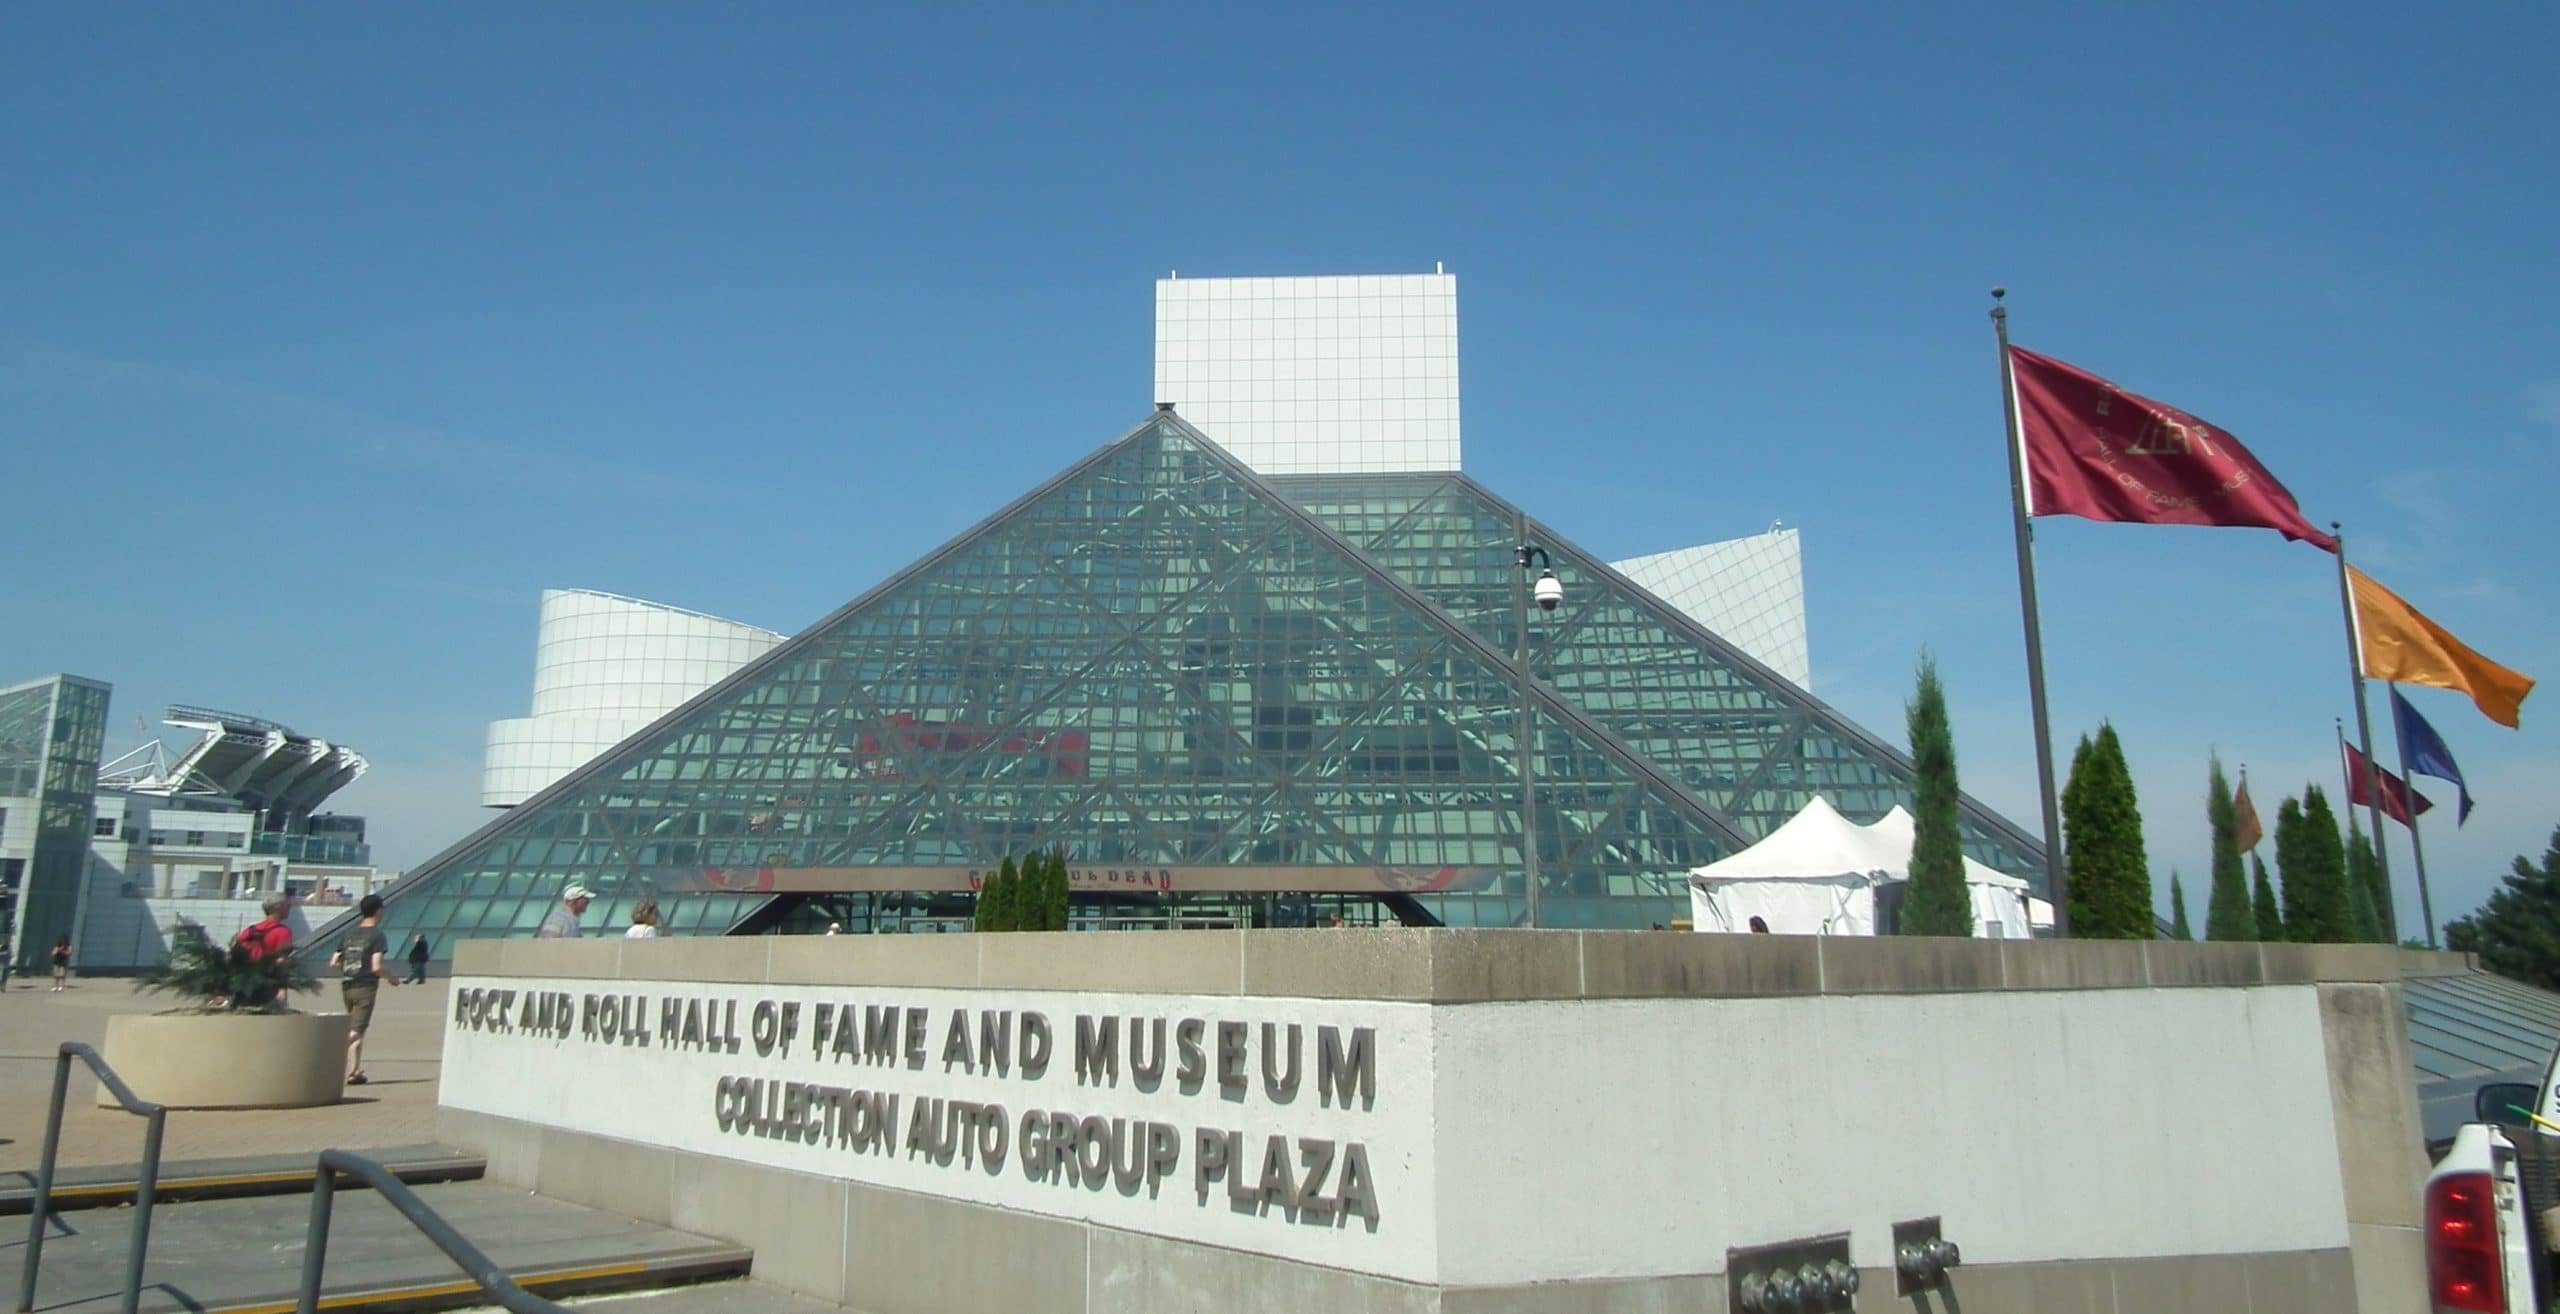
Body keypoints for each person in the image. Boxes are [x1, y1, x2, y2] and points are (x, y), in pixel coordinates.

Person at [327, 895, 396, 1085]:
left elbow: (333, 963)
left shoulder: (348, 934)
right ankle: (331, 1051)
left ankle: (354, 1072)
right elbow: (376, 966)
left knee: (357, 1028)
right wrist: (392, 979)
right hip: (365, 987)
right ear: (378, 911)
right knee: (356, 1030)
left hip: (347, 985)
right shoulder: (377, 935)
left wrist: (349, 969)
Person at [232, 895, 296, 1009]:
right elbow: (281, 961)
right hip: (268, 983)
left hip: (244, 982)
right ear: (279, 908)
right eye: (288, 906)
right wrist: (282, 988)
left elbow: (235, 954)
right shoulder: (283, 932)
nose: (290, 909)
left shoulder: (249, 931)